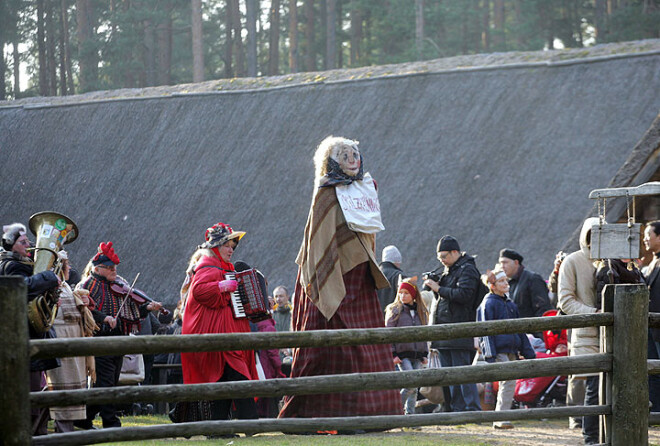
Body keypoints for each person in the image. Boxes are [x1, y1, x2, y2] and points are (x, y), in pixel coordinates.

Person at [279, 136, 401, 421]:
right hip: (334, 273)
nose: (352, 157)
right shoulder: (325, 192)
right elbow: (319, 241)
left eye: (355, 152)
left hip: (360, 273)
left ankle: (372, 414)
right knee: (334, 348)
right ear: (332, 160)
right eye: (344, 154)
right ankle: (319, 415)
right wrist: (326, 274)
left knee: (364, 345)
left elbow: (368, 226)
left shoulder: (366, 187)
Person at [76, 241, 163, 429]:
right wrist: (104, 317)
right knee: (106, 382)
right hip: (99, 339)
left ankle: (84, 418)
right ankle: (111, 422)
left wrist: (147, 307)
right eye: (109, 268)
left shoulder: (118, 284)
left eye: (115, 267)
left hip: (118, 340)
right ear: (98, 269)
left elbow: (131, 312)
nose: (114, 270)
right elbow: (84, 310)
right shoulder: (88, 284)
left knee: (111, 383)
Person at [180, 222, 258, 421]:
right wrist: (222, 286)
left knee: (227, 378)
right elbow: (199, 291)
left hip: (228, 336)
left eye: (233, 246)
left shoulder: (224, 267)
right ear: (215, 247)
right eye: (227, 246)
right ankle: (248, 423)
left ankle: (220, 427)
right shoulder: (207, 266)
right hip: (218, 338)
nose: (231, 250)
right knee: (236, 376)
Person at [1, 222, 60, 435]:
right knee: (31, 397)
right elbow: (22, 287)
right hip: (22, 338)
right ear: (11, 245)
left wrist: (52, 297)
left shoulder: (25, 263)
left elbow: (36, 297)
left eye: (29, 241)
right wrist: (49, 277)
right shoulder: (8, 265)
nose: (30, 245)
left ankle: (36, 433)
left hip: (32, 337)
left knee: (37, 396)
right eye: (23, 242)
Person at [424, 235, 482, 412]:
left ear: (455, 252)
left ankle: (471, 409)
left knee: (462, 372)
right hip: (444, 329)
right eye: (439, 258)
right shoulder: (450, 269)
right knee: (448, 375)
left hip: (459, 328)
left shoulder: (468, 270)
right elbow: (447, 297)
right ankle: (454, 409)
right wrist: (438, 286)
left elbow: (464, 296)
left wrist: (438, 288)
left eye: (444, 256)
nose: (442, 261)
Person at [558, 217, 600, 445]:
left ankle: (605, 435)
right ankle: (590, 436)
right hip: (586, 333)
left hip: (613, 335)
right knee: (593, 386)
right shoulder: (572, 261)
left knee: (609, 387)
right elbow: (565, 300)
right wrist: (594, 313)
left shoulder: (612, 261)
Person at [45, 250, 97, 433]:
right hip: (61, 339)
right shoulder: (52, 285)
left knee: (74, 385)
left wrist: (80, 301)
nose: (69, 267)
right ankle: (63, 430)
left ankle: (67, 429)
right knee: (61, 385)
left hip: (73, 339)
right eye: (66, 264)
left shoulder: (66, 285)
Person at [477, 269, 535, 429]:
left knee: (509, 382)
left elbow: (519, 329)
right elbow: (485, 330)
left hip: (511, 350)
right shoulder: (488, 303)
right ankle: (501, 417)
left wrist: (527, 350)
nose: (505, 284)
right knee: (507, 381)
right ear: (492, 285)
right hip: (498, 350)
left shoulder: (510, 304)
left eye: (506, 281)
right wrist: (490, 353)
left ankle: (502, 415)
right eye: (501, 281)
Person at [385, 277, 429, 415]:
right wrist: (393, 354)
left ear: (413, 295)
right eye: (400, 293)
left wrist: (424, 353)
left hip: (417, 354)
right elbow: (389, 334)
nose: (403, 296)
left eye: (406, 293)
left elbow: (424, 334)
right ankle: (393, 410)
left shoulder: (420, 312)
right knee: (410, 383)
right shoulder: (395, 311)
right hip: (402, 354)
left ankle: (410, 416)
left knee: (414, 387)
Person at [498, 248, 553, 322]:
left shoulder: (533, 279)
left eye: (505, 262)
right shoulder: (508, 283)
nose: (502, 266)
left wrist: (537, 331)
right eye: (500, 263)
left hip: (532, 330)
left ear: (516, 262)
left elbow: (543, 309)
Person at [643, 220, 660, 412]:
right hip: (652, 328)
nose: (645, 239)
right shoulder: (652, 261)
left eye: (649, 235)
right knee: (653, 371)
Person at [377, 245, 406, 313]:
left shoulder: (372, 275)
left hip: (375, 321)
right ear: (397, 261)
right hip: (395, 320)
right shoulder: (400, 276)